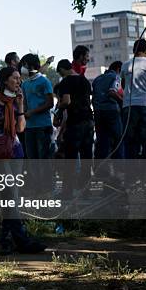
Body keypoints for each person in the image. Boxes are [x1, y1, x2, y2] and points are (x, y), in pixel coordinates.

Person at [0, 68, 46, 255]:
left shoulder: (15, 101)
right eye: (15, 78)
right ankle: (21, 240)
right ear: (5, 80)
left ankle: (6, 240)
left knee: (10, 197)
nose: (19, 81)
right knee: (10, 195)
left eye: (19, 78)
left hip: (15, 153)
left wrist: (21, 106)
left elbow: (21, 128)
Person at [56, 59, 94, 196]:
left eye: (60, 72)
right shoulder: (84, 81)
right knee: (86, 158)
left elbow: (66, 101)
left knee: (71, 159)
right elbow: (89, 101)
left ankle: (67, 191)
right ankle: (86, 190)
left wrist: (58, 108)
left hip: (75, 122)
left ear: (62, 69)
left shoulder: (65, 82)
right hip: (89, 121)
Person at [121, 39, 146, 161]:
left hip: (128, 107)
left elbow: (123, 85)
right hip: (145, 106)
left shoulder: (126, 64)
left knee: (130, 141)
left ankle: (131, 175)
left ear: (134, 49)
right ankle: (144, 174)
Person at [20, 54, 54, 159]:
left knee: (43, 159)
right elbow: (25, 103)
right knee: (32, 159)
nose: (22, 68)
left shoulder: (44, 81)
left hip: (43, 126)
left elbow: (50, 103)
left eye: (24, 65)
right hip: (29, 127)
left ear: (31, 66)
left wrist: (32, 112)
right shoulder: (24, 84)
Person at [92, 61, 124, 159]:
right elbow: (112, 92)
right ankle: (118, 167)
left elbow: (93, 97)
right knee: (118, 139)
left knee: (102, 140)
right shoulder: (116, 77)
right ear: (118, 69)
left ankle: (100, 169)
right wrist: (122, 103)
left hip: (98, 112)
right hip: (111, 112)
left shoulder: (97, 79)